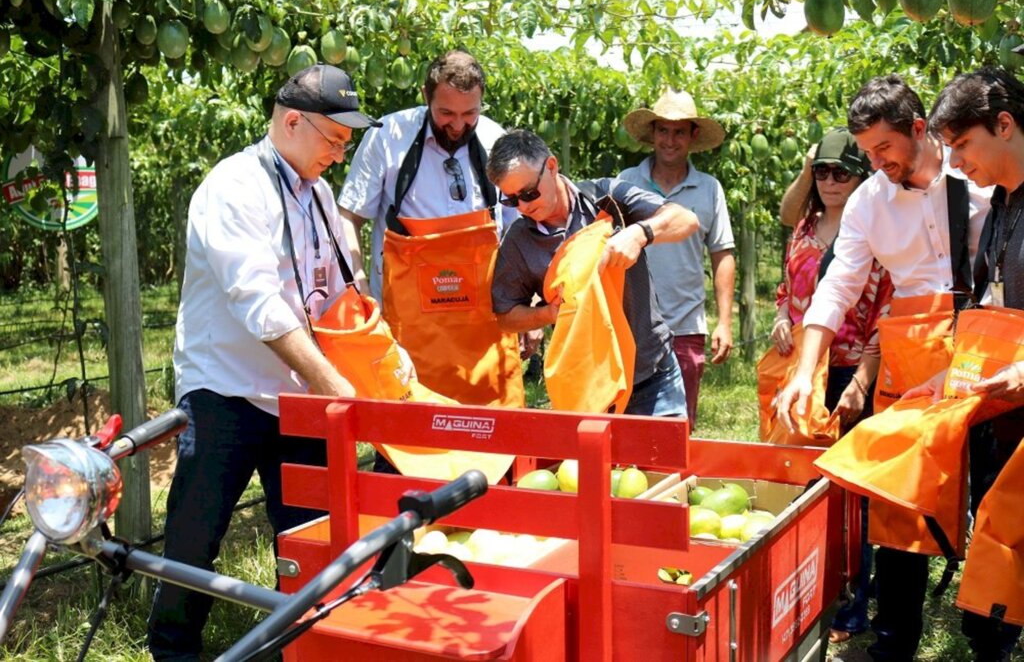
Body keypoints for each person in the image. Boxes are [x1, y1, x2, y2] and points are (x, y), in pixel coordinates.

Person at [147, 65, 379, 661]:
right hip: (225, 390)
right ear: (293, 122)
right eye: (334, 138)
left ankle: (293, 650)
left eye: (347, 142)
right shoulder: (233, 187)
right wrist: (333, 382)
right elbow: (257, 301)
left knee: (306, 538)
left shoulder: (321, 196)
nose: (340, 152)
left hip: (296, 395)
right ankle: (174, 652)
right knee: (193, 542)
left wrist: (362, 334)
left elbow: (324, 289)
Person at [775, 75, 991, 662]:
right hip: (912, 343)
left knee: (996, 490)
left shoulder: (976, 175)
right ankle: (895, 636)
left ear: (919, 130)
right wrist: (807, 366)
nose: (875, 163)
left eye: (883, 150)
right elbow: (840, 282)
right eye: (867, 152)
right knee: (900, 494)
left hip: (985, 335)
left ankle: (993, 631)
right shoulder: (871, 200)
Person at [902, 66, 1024, 662]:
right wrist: (948, 375)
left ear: (1004, 125)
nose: (956, 163)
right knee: (998, 568)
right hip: (1003, 415)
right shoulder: (1000, 204)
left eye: (963, 146)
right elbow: (987, 307)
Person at [337, 50, 526, 409]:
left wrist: (529, 302)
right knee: (408, 443)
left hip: (483, 337)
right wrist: (361, 292)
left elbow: (518, 231)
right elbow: (348, 217)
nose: (458, 125)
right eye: (446, 114)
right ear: (426, 97)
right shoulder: (388, 137)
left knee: (492, 448)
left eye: (470, 113)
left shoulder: (495, 141)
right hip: (405, 335)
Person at [771, 127, 893, 645]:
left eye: (840, 171)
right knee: (801, 480)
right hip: (803, 368)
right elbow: (786, 288)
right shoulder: (804, 227)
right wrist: (780, 315)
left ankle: (852, 602)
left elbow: (884, 310)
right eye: (821, 171)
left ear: (860, 176)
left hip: (846, 373)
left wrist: (864, 379)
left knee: (850, 491)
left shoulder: (873, 232)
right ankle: (806, 586)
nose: (829, 181)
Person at [487, 129, 699, 417]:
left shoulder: (607, 198)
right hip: (588, 387)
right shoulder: (519, 242)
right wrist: (547, 314)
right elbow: (504, 315)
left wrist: (639, 233)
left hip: (652, 377)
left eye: (528, 193)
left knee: (661, 464)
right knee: (588, 465)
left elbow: (686, 220)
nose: (523, 207)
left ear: (551, 167)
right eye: (511, 200)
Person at [618, 90, 735, 425]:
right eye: (663, 131)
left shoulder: (709, 188)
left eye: (679, 131)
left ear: (692, 135)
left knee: (679, 430)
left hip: (684, 326)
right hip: (632, 326)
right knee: (626, 425)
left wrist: (725, 322)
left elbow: (722, 254)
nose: (670, 140)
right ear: (653, 134)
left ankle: (675, 480)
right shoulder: (626, 183)